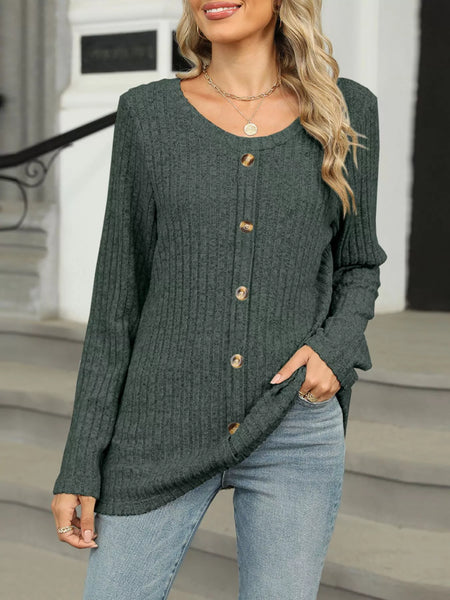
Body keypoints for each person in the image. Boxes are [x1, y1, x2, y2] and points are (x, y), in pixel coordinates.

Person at [51, 0, 387, 598]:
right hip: (159, 426)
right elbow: (116, 302)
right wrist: (82, 460)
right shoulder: (148, 114)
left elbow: (358, 264)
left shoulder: (345, 110)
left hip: (292, 421)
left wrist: (334, 352)